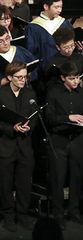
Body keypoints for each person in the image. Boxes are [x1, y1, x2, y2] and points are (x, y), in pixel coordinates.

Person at [0, 61, 38, 232]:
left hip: (24, 145)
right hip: (5, 146)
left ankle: (22, 215)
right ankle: (8, 216)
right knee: (6, 184)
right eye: (19, 77)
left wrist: (30, 126)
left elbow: (36, 116)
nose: (23, 80)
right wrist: (12, 128)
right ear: (9, 77)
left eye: (25, 77)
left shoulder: (30, 93)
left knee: (24, 184)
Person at [44, 62, 83, 229]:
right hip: (59, 140)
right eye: (71, 78)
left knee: (76, 178)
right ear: (63, 78)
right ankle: (58, 215)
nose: (75, 82)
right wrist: (69, 117)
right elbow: (49, 117)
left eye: (77, 78)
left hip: (77, 140)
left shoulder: (81, 92)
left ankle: (74, 212)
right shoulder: (53, 93)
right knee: (58, 179)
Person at [25, 0, 74, 71]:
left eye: (61, 7)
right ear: (46, 6)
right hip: (45, 70)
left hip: (66, 68)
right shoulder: (34, 27)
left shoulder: (64, 23)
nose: (60, 10)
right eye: (56, 7)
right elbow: (31, 52)